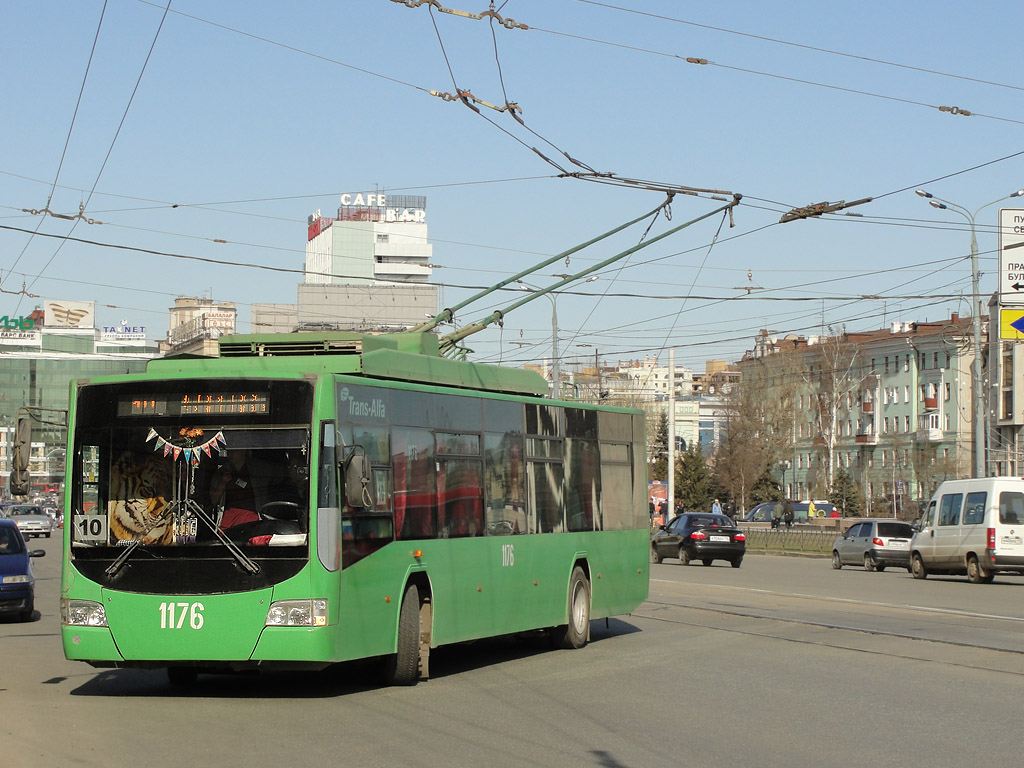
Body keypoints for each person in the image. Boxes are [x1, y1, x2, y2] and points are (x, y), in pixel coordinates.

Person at [211, 449, 259, 530]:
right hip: (229, 521)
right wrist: (223, 483)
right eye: (228, 451)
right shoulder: (222, 472)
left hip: (251, 519)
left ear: (243, 451)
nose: (230, 453)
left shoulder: (257, 471)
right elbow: (213, 501)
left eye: (234, 450)